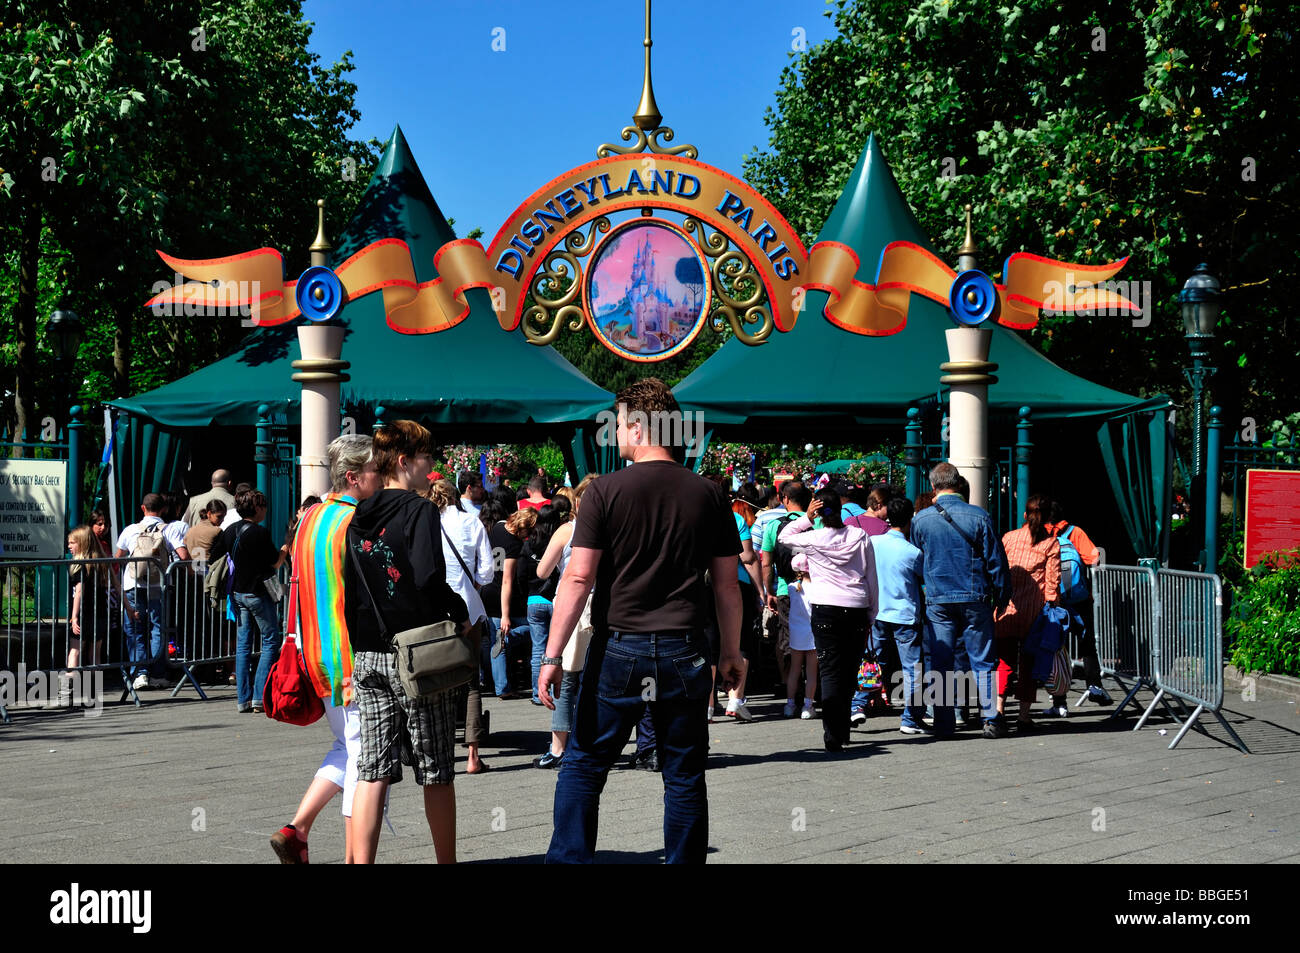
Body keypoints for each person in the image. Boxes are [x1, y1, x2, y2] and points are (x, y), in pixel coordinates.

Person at [538, 378, 743, 864]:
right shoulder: (710, 495)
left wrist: (551, 655)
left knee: (585, 764)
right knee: (685, 773)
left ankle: (569, 860)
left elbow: (577, 578)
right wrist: (732, 652)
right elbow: (727, 586)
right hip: (685, 648)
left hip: (620, 646)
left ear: (636, 424)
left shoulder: (605, 491)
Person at [342, 420, 470, 865]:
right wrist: (458, 610)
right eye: (427, 457)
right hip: (414, 654)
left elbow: (351, 590)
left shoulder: (357, 514)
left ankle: (361, 862)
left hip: (368, 653)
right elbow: (428, 577)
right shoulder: (419, 510)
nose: (432, 466)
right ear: (404, 461)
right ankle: (446, 863)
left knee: (372, 770)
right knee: (435, 768)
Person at [269, 435, 380, 864]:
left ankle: (297, 829)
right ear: (353, 476)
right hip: (350, 655)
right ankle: (356, 858)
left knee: (349, 745)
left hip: (315, 651)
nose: (381, 478)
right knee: (366, 758)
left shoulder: (310, 516)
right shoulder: (355, 521)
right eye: (375, 471)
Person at [908, 463, 1011, 739]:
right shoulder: (980, 516)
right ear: (959, 483)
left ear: (933, 486)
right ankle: (990, 716)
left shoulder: (921, 520)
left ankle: (944, 722)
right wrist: (1002, 595)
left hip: (938, 597)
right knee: (983, 659)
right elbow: (996, 560)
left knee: (941, 660)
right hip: (975, 595)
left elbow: (918, 559)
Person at [778, 488, 878, 752]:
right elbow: (871, 577)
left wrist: (806, 518)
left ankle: (833, 733)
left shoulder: (813, 538)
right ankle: (842, 727)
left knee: (830, 671)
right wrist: (872, 610)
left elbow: (784, 537)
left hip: (825, 608)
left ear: (819, 512)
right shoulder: (859, 537)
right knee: (848, 670)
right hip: (856, 606)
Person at [425, 479, 494, 774]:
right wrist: (474, 583)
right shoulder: (471, 521)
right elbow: (488, 570)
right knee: (470, 679)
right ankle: (473, 756)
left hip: (434, 610)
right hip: (468, 606)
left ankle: (437, 751)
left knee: (433, 679)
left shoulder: (424, 525)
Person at [532, 474, 596, 768]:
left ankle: (558, 748)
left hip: (572, 606)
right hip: (605, 607)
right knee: (596, 680)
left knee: (565, 679)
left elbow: (543, 571)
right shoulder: (613, 530)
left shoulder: (567, 530)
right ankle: (590, 743)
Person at [853, 496, 926, 733]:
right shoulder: (912, 552)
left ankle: (858, 705)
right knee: (912, 667)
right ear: (909, 520)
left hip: (877, 612)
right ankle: (910, 718)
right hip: (904, 614)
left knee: (872, 662)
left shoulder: (872, 542)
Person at [208, 488, 282, 713]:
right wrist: (285, 551)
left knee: (243, 645)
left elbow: (214, 555)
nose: (266, 511)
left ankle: (243, 699)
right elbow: (273, 563)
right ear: (257, 508)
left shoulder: (230, 530)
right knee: (270, 641)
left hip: (237, 593)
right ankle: (260, 696)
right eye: (264, 506)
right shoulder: (260, 533)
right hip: (256, 593)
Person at [995, 494, 1061, 733]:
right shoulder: (1051, 544)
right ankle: (1023, 716)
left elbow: (998, 570)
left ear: (1025, 514)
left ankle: (998, 711)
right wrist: (1052, 603)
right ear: (1046, 518)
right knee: (1030, 664)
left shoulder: (1009, 538)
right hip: (1034, 614)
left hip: (1007, 609)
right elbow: (1053, 582)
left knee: (1003, 661)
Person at [1045, 500, 1112, 711]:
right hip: (1079, 599)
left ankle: (1059, 702)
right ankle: (1094, 685)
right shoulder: (1075, 532)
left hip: (1053, 600)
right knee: (1087, 644)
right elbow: (1095, 559)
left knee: (1056, 649)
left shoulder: (1040, 534)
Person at [115, 492, 182, 691]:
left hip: (132, 584)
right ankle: (158, 674)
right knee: (157, 628)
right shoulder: (169, 529)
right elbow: (183, 555)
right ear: (163, 509)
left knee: (134, 629)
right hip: (158, 585)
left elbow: (118, 557)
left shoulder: (130, 530)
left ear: (143, 508)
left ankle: (140, 674)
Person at [761, 481, 815, 698]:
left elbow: (766, 562)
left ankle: (788, 682)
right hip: (814, 587)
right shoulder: (817, 523)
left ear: (784, 499)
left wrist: (769, 591)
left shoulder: (774, 526)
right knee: (813, 634)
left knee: (786, 634)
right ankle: (813, 682)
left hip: (785, 588)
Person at [61, 525, 120, 706]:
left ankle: (66, 693)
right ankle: (93, 694)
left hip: (85, 613)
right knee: (95, 655)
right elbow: (117, 586)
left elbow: (78, 592)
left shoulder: (81, 566)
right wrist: (129, 609)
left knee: (75, 651)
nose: (69, 546)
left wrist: (74, 617)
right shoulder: (101, 563)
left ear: (82, 543)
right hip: (101, 614)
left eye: (72, 543)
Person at [523, 500, 570, 709]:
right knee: (557, 648)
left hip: (533, 599)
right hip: (555, 599)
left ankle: (536, 692)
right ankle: (558, 690)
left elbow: (521, 573)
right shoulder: (558, 538)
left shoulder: (529, 541)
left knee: (538, 648)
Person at [727, 485, 766, 721]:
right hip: (737, 584)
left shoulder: (695, 514)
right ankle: (736, 699)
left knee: (711, 643)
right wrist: (760, 591)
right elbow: (748, 557)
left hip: (705, 585)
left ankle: (708, 706)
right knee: (743, 641)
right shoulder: (736, 519)